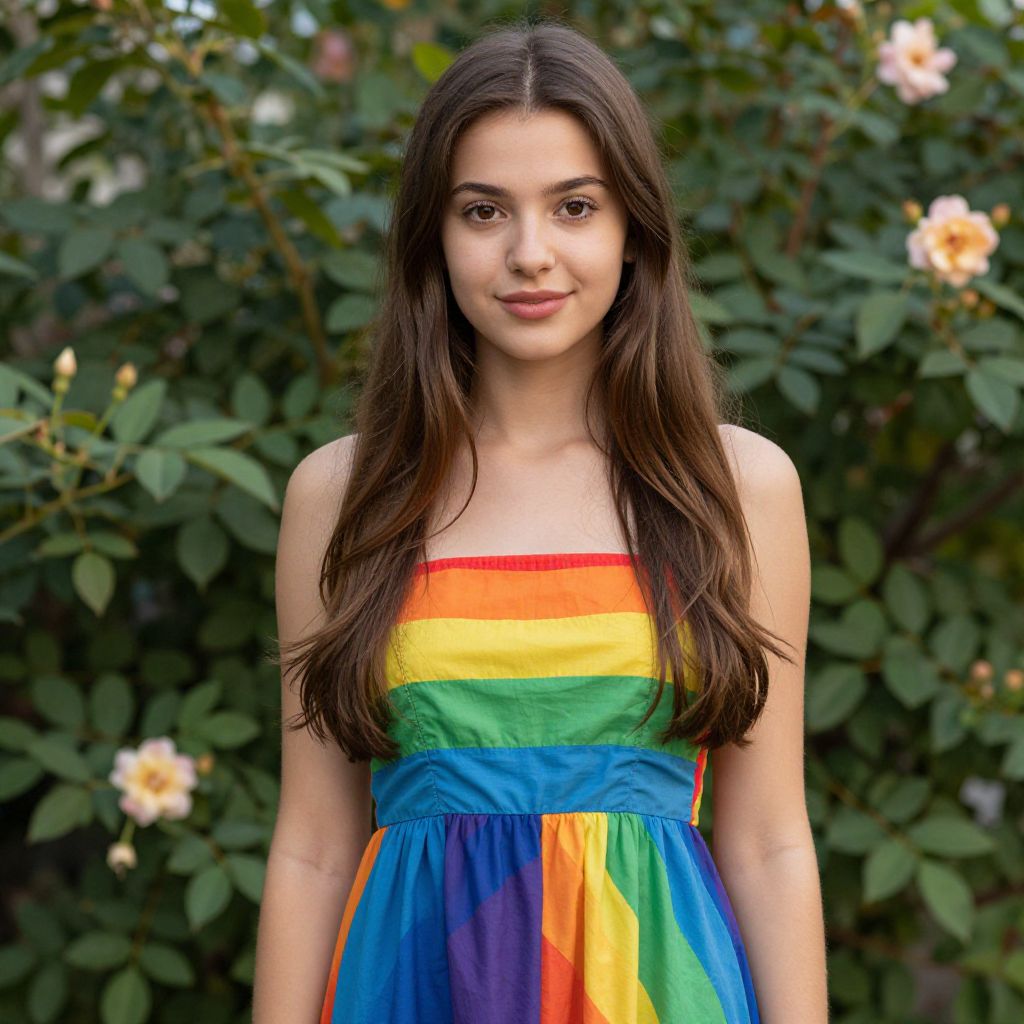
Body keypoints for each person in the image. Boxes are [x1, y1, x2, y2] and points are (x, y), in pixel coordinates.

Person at [253, 16, 828, 1024]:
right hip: (412, 992)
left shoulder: (737, 488)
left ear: (631, 231)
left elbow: (768, 839)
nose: (530, 253)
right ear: (433, 233)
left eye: (573, 206)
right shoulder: (342, 499)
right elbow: (311, 844)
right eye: (484, 211)